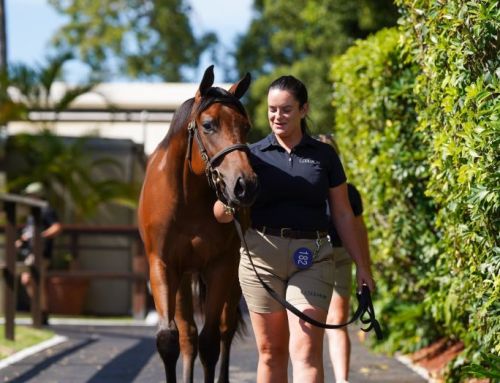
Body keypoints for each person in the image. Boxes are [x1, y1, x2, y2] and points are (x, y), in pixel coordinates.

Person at [214, 75, 374, 382]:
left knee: (305, 351)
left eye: (286, 109)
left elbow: (343, 214)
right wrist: (231, 202)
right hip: (261, 257)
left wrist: (362, 267)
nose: (277, 116)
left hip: (311, 257)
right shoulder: (252, 155)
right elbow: (220, 214)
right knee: (272, 353)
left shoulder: (324, 156)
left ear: (303, 109)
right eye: (272, 109)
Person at [318, 134, 370, 383]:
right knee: (311, 323)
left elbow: (360, 232)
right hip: (311, 258)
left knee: (337, 320)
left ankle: (342, 380)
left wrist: (365, 269)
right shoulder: (305, 190)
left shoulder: (350, 193)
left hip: (340, 256)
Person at [16, 182, 62, 325]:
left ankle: (41, 312)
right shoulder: (33, 213)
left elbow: (57, 227)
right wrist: (21, 241)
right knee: (30, 281)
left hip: (40, 252)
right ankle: (41, 310)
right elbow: (29, 232)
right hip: (31, 251)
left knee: (33, 280)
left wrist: (41, 236)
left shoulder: (46, 210)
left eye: (31, 195)